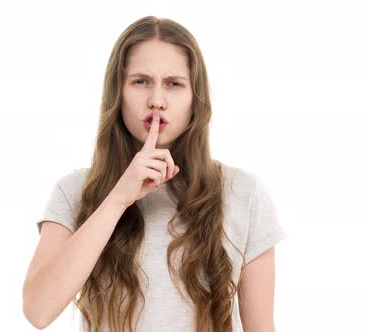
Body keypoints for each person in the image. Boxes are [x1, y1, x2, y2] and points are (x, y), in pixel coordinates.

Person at [22, 15, 288, 332]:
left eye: (174, 84)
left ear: (195, 99)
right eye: (140, 81)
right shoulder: (75, 190)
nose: (157, 101)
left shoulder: (243, 192)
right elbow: (38, 311)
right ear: (117, 94)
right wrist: (119, 198)